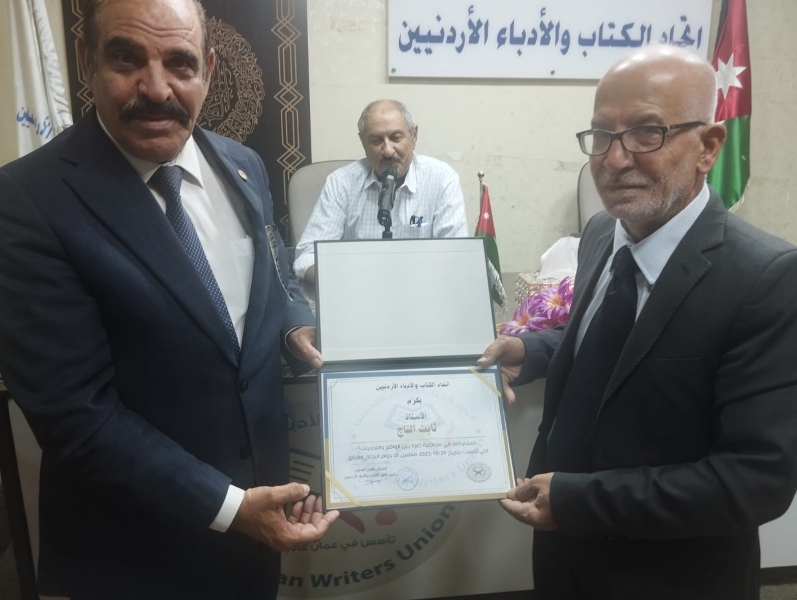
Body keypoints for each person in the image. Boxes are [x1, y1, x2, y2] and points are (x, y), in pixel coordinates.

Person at [0, 0, 338, 598]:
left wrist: (293, 323)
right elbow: (75, 415)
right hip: (133, 555)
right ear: (86, 59)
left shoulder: (243, 165)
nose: (156, 89)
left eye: (180, 63)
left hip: (259, 529)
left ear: (209, 68)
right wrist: (230, 508)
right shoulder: (26, 200)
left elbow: (272, 272)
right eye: (127, 58)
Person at [479, 45, 797, 600]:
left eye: (647, 132)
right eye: (602, 134)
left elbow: (755, 481)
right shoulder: (602, 233)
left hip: (670, 577)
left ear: (708, 147)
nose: (614, 159)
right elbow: (616, 340)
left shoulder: (765, 278)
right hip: (560, 559)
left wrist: (579, 502)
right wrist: (535, 351)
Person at [293, 99, 469, 295]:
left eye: (396, 138)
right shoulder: (341, 183)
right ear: (363, 142)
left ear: (414, 136)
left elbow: (456, 255)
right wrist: (352, 279)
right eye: (376, 140)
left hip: (424, 293)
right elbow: (307, 256)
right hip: (356, 294)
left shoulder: (442, 179)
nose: (387, 151)